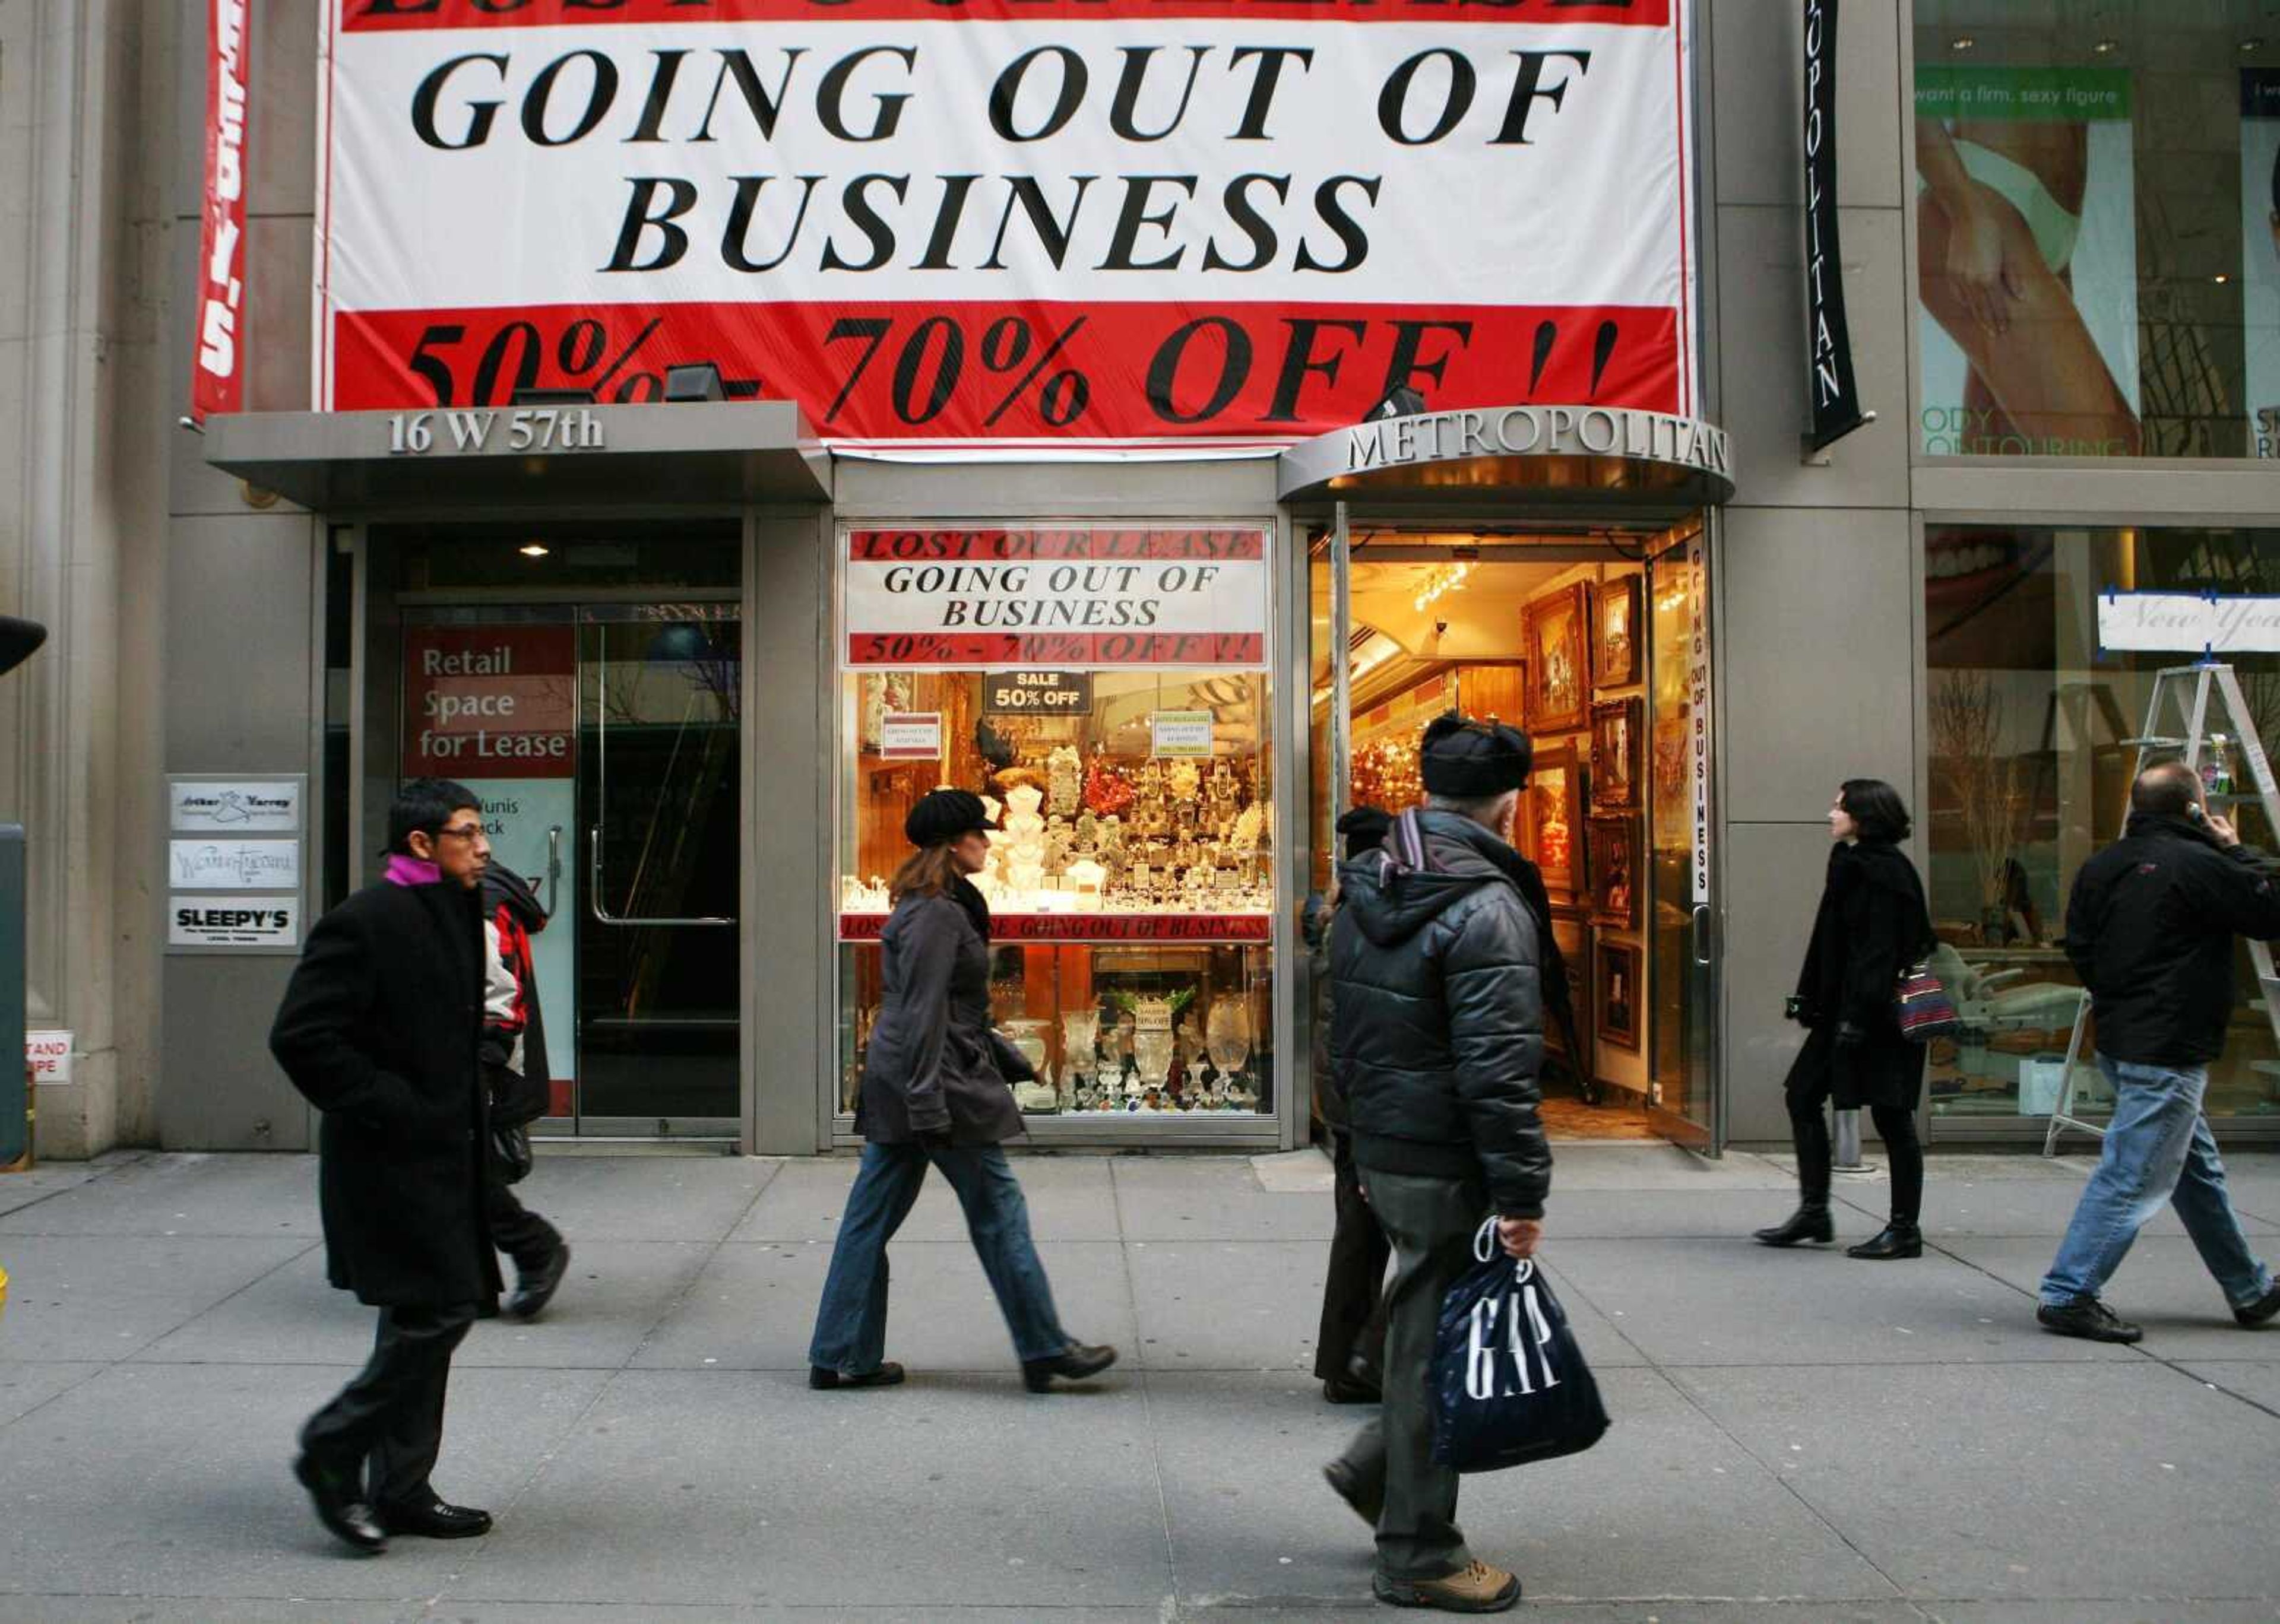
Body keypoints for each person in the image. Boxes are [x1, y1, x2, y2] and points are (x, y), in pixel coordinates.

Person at [1320, 715, 1551, 1616]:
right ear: (1508, 801)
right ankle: (1416, 1549)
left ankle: (1378, 1475)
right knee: (1429, 1354)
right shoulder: (1487, 904)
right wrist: (1521, 1191)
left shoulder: (1370, 878)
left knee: (1422, 1330)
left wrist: (1359, 1146)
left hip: (1384, 1143)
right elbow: (1500, 1070)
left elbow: (1345, 1030)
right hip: (1442, 1154)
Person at [807, 788, 1117, 1393]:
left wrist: (1002, 1056)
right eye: (979, 833)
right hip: (935, 1086)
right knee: (999, 1209)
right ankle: (1044, 1348)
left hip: (917, 1078)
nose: (988, 840)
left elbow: (943, 1007)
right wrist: (929, 1104)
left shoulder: (937, 906)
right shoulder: (937, 914)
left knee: (869, 1220)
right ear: (954, 845)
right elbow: (923, 1012)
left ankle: (841, 1352)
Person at [270, 779, 502, 1554]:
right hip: (388, 1159)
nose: (483, 846)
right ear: (420, 844)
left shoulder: (458, 909)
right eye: (467, 834)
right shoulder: (365, 922)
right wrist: (395, 1103)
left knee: (424, 1313)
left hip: (445, 1152)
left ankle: (401, 1489)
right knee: (440, 1309)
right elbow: (302, 1037)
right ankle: (333, 1452)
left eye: (480, 832)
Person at [2037, 761, 2280, 1342]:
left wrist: (2121, 996)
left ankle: (2248, 1287)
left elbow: (2080, 945)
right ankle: (2070, 1291)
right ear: (2194, 807)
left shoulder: (2103, 865)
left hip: (2123, 1036)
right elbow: (2269, 910)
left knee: (2194, 1169)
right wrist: (2238, 850)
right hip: (2170, 1044)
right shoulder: (2202, 864)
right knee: (2136, 1171)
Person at [1756, 780, 1934, 1261]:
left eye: (1840, 806)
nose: (1831, 814)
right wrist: (1810, 1000)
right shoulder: (1853, 864)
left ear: (1864, 815)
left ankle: (1904, 1228)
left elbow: (1878, 953)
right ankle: (1815, 1210)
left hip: (1876, 1016)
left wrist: (1853, 1017)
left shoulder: (1883, 872)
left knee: (1893, 1115)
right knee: (1803, 1095)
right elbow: (1832, 946)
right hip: (1843, 1013)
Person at [1309, 805, 1394, 1407]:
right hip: (1367, 1096)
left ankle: (1351, 1362)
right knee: (1373, 1235)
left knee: (1363, 1232)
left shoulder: (1340, 914)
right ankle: (1355, 1364)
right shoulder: (1369, 919)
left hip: (1349, 1093)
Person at [479, 863, 570, 1321]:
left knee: (460, 1172)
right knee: (460, 1170)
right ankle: (473, 1283)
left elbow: (500, 992)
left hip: (480, 1063)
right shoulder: (485, 897)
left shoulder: (480, 901)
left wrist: (490, 1060)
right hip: (487, 1061)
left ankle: (535, 1247)